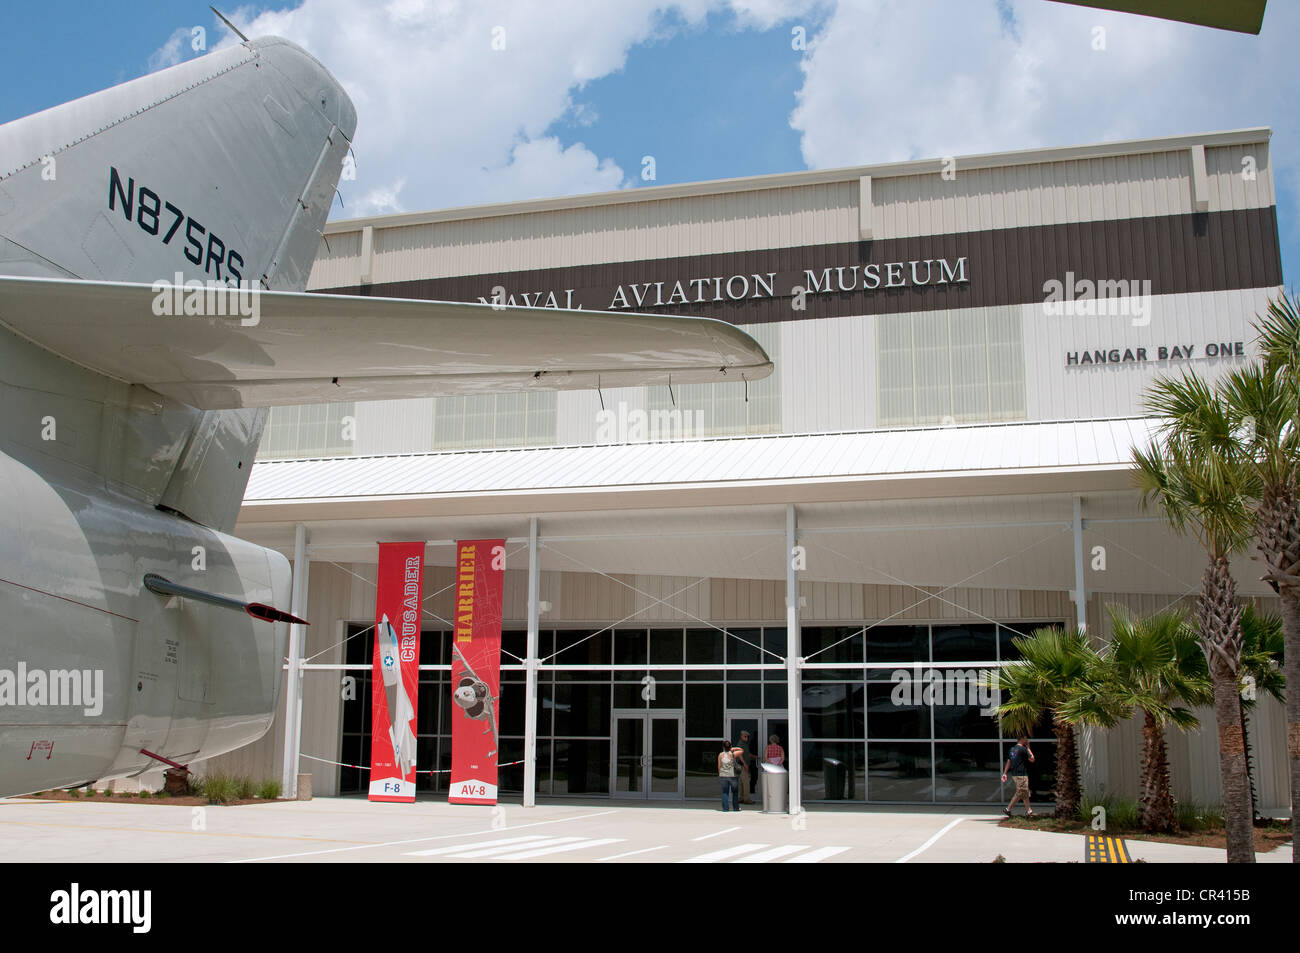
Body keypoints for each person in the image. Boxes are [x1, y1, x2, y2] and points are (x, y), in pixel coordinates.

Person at [1001, 736, 1036, 817]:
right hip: (1022, 774)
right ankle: (1008, 809)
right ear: (1022, 739)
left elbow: (1009, 761)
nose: (1027, 740)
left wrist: (1005, 773)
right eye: (1026, 739)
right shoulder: (1023, 749)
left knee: (1025, 792)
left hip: (1015, 774)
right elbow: (1032, 759)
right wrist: (1028, 747)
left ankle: (1029, 811)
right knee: (1020, 792)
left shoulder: (1012, 749)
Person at [718, 738, 744, 811]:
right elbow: (741, 750)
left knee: (725, 792)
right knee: (735, 792)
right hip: (732, 775)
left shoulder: (720, 755)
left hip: (723, 775)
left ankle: (726, 808)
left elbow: (719, 766)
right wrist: (733, 748)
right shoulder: (733, 754)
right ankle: (735, 808)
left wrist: (720, 774)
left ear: (723, 747)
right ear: (730, 747)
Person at [737, 730, 757, 803]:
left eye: (747, 736)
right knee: (746, 782)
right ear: (741, 736)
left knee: (741, 782)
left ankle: (741, 798)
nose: (746, 738)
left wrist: (754, 757)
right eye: (745, 736)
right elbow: (739, 754)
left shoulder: (745, 744)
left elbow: (747, 754)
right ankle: (747, 799)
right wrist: (745, 764)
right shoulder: (741, 744)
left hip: (742, 765)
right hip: (742, 765)